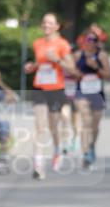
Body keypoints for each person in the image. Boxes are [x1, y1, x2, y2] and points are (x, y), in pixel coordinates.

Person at [24, 13, 75, 179]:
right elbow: (39, 64)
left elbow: (72, 68)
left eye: (50, 23)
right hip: (39, 88)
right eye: (44, 22)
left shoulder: (62, 44)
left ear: (57, 26)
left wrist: (58, 60)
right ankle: (38, 166)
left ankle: (57, 150)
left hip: (56, 90)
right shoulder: (37, 43)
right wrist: (31, 67)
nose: (46, 25)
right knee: (40, 126)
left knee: (53, 126)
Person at [72, 31, 110, 169]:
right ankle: (85, 154)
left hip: (97, 94)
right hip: (81, 92)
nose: (91, 42)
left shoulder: (102, 55)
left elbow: (109, 76)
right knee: (86, 121)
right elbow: (72, 73)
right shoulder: (78, 55)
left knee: (94, 125)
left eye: (94, 39)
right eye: (88, 39)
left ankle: (92, 145)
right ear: (83, 41)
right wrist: (77, 74)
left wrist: (96, 67)